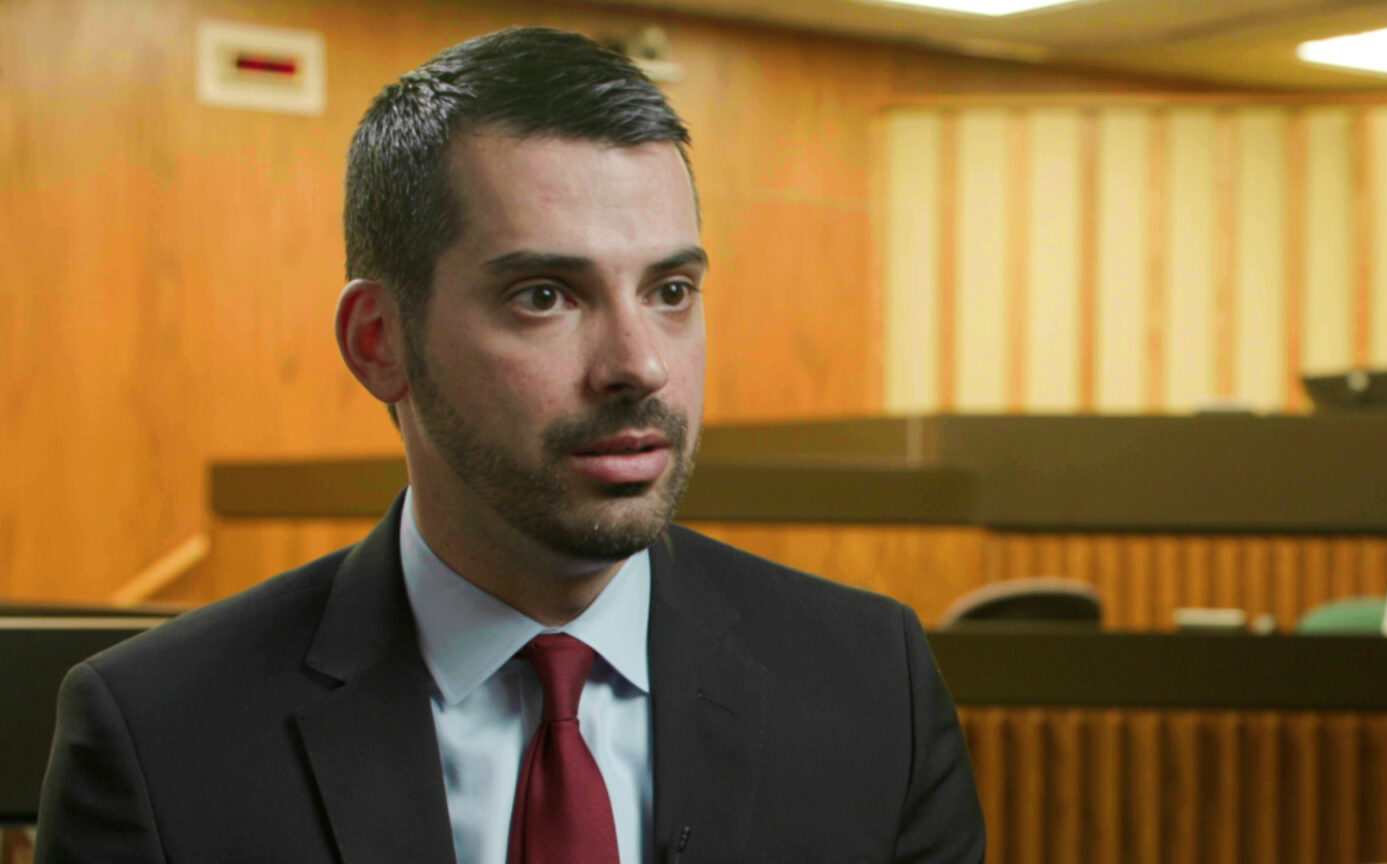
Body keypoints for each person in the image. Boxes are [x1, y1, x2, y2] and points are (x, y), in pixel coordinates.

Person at [35, 26, 984, 864]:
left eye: (670, 291)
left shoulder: (871, 689)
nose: (640, 365)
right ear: (380, 342)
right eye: (545, 295)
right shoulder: (162, 740)